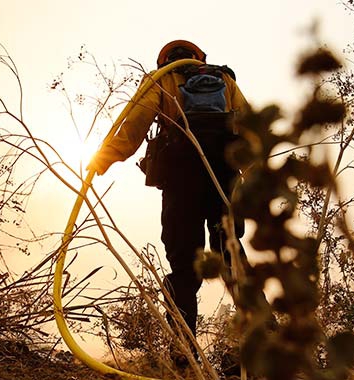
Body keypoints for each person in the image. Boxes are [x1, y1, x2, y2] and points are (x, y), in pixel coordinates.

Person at [87, 40, 247, 350]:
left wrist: (103, 159)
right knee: (230, 254)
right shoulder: (225, 79)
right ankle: (267, 340)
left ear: (165, 61)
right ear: (199, 58)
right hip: (224, 177)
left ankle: (183, 355)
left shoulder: (161, 79)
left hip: (181, 176)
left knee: (183, 265)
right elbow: (251, 127)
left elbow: (135, 124)